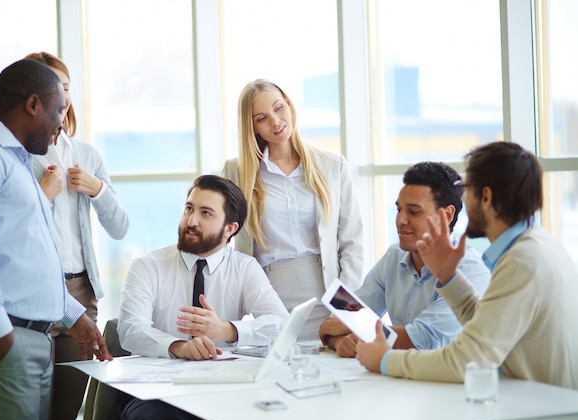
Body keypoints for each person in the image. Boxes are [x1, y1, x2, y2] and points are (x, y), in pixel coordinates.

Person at [0, 59, 112, 420]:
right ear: (32, 104)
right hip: (5, 337)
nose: (61, 123)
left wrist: (74, 316)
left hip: (30, 336)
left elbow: (29, 256)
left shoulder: (17, 163)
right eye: (59, 110)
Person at [356, 141, 578, 390]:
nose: (462, 200)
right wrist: (448, 277)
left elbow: (468, 359)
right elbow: (487, 329)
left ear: (485, 197)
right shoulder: (536, 245)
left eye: (466, 189)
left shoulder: (524, 260)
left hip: (543, 409)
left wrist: (386, 360)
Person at [117, 174, 289, 420]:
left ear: (230, 229)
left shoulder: (245, 268)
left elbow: (281, 323)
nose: (192, 220)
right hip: (156, 391)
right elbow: (131, 330)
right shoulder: (147, 266)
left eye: (206, 213)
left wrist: (228, 330)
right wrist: (178, 347)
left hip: (221, 386)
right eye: (189, 208)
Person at [24, 51, 130, 420]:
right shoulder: (18, 156)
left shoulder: (86, 154)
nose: (62, 97)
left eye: (66, 88)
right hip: (32, 296)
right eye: (54, 88)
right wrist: (44, 192)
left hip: (80, 294)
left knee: (65, 414)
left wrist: (97, 189)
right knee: (30, 412)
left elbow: (120, 228)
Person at [222, 79, 364, 340]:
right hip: (270, 298)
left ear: (289, 104)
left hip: (327, 296)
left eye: (279, 108)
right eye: (262, 118)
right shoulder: (237, 172)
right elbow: (228, 244)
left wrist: (347, 309)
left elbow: (352, 241)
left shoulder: (333, 166)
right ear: (251, 127)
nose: (276, 121)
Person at [319, 162, 490, 356]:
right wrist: (341, 340)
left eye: (414, 212)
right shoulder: (394, 256)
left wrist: (359, 332)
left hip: (449, 381)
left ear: (447, 215)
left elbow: (423, 338)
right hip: (397, 376)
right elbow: (338, 318)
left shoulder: (472, 270)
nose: (400, 220)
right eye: (399, 209)